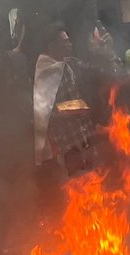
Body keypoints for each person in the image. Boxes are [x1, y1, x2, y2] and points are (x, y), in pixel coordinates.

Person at [33, 24, 96, 178]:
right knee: (76, 182)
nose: (70, 44)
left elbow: (93, 71)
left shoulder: (69, 63)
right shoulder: (46, 72)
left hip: (85, 134)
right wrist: (74, 108)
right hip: (67, 141)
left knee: (94, 178)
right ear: (51, 46)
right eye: (65, 42)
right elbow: (44, 113)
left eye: (69, 41)